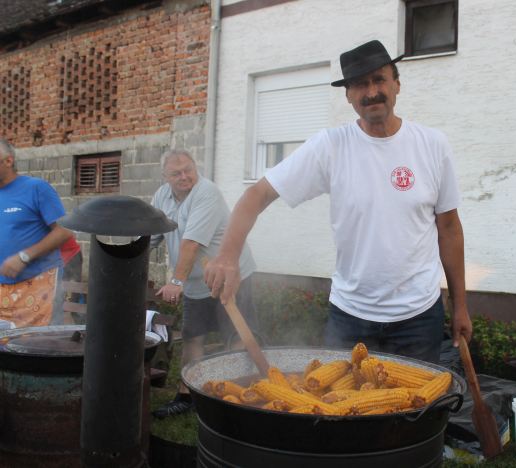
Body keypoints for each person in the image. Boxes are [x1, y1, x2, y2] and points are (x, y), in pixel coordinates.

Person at [204, 40, 472, 363]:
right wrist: (228, 257)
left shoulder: (432, 145)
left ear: (397, 84)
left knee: (414, 412)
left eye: (379, 80)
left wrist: (461, 307)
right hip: (351, 317)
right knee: (340, 411)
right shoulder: (331, 147)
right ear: (348, 96)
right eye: (359, 84)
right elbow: (257, 194)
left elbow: (449, 229)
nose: (371, 91)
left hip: (418, 319)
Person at [150, 149, 257, 418]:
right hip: (196, 281)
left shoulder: (206, 193)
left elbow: (191, 243)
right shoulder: (162, 196)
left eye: (189, 169)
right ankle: (187, 396)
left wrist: (176, 281)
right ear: (165, 176)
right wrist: (129, 261)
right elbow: (151, 236)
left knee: (234, 337)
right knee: (192, 337)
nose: (184, 176)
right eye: (176, 173)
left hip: (229, 277)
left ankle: (232, 396)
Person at [0, 138, 73, 328]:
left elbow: (64, 231)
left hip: (39, 282)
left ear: (8, 161)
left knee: (37, 346)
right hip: (3, 289)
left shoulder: (36, 188)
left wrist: (24, 256)